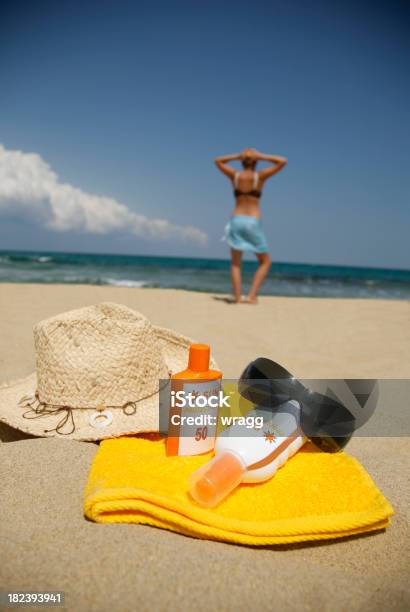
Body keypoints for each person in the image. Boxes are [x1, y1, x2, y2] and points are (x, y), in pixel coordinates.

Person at [215, 147, 287, 304]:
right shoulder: (260, 176)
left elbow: (217, 161)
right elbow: (283, 161)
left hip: (236, 220)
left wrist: (237, 156)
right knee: (265, 261)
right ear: (256, 161)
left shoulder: (235, 176)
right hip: (252, 221)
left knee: (235, 263)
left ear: (242, 161)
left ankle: (238, 298)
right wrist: (262, 156)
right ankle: (252, 295)